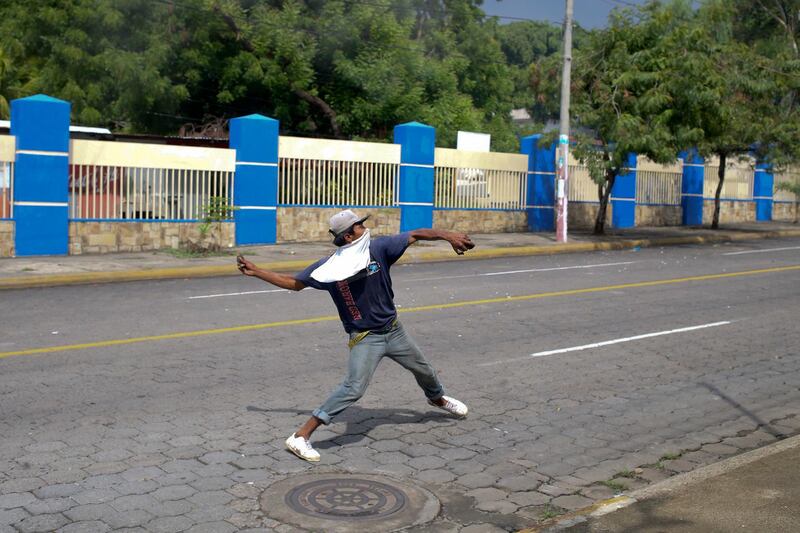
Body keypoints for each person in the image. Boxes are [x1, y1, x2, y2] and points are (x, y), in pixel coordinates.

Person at [236, 209, 475, 462]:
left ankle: (437, 399)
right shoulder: (329, 267)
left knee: (425, 370)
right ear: (349, 235)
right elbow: (294, 283)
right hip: (365, 338)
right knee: (354, 388)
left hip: (394, 331)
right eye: (359, 226)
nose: (364, 228)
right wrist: (257, 271)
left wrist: (448, 235)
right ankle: (300, 436)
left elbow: (416, 233)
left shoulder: (378, 249)